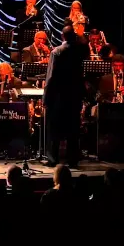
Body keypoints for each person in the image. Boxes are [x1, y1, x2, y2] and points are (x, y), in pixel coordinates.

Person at [43, 25, 85, 167]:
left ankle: (53, 159)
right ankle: (73, 160)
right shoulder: (79, 52)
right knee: (73, 129)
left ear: (62, 36)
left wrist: (46, 98)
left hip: (58, 97)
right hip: (74, 96)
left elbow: (50, 77)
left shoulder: (57, 52)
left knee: (54, 128)